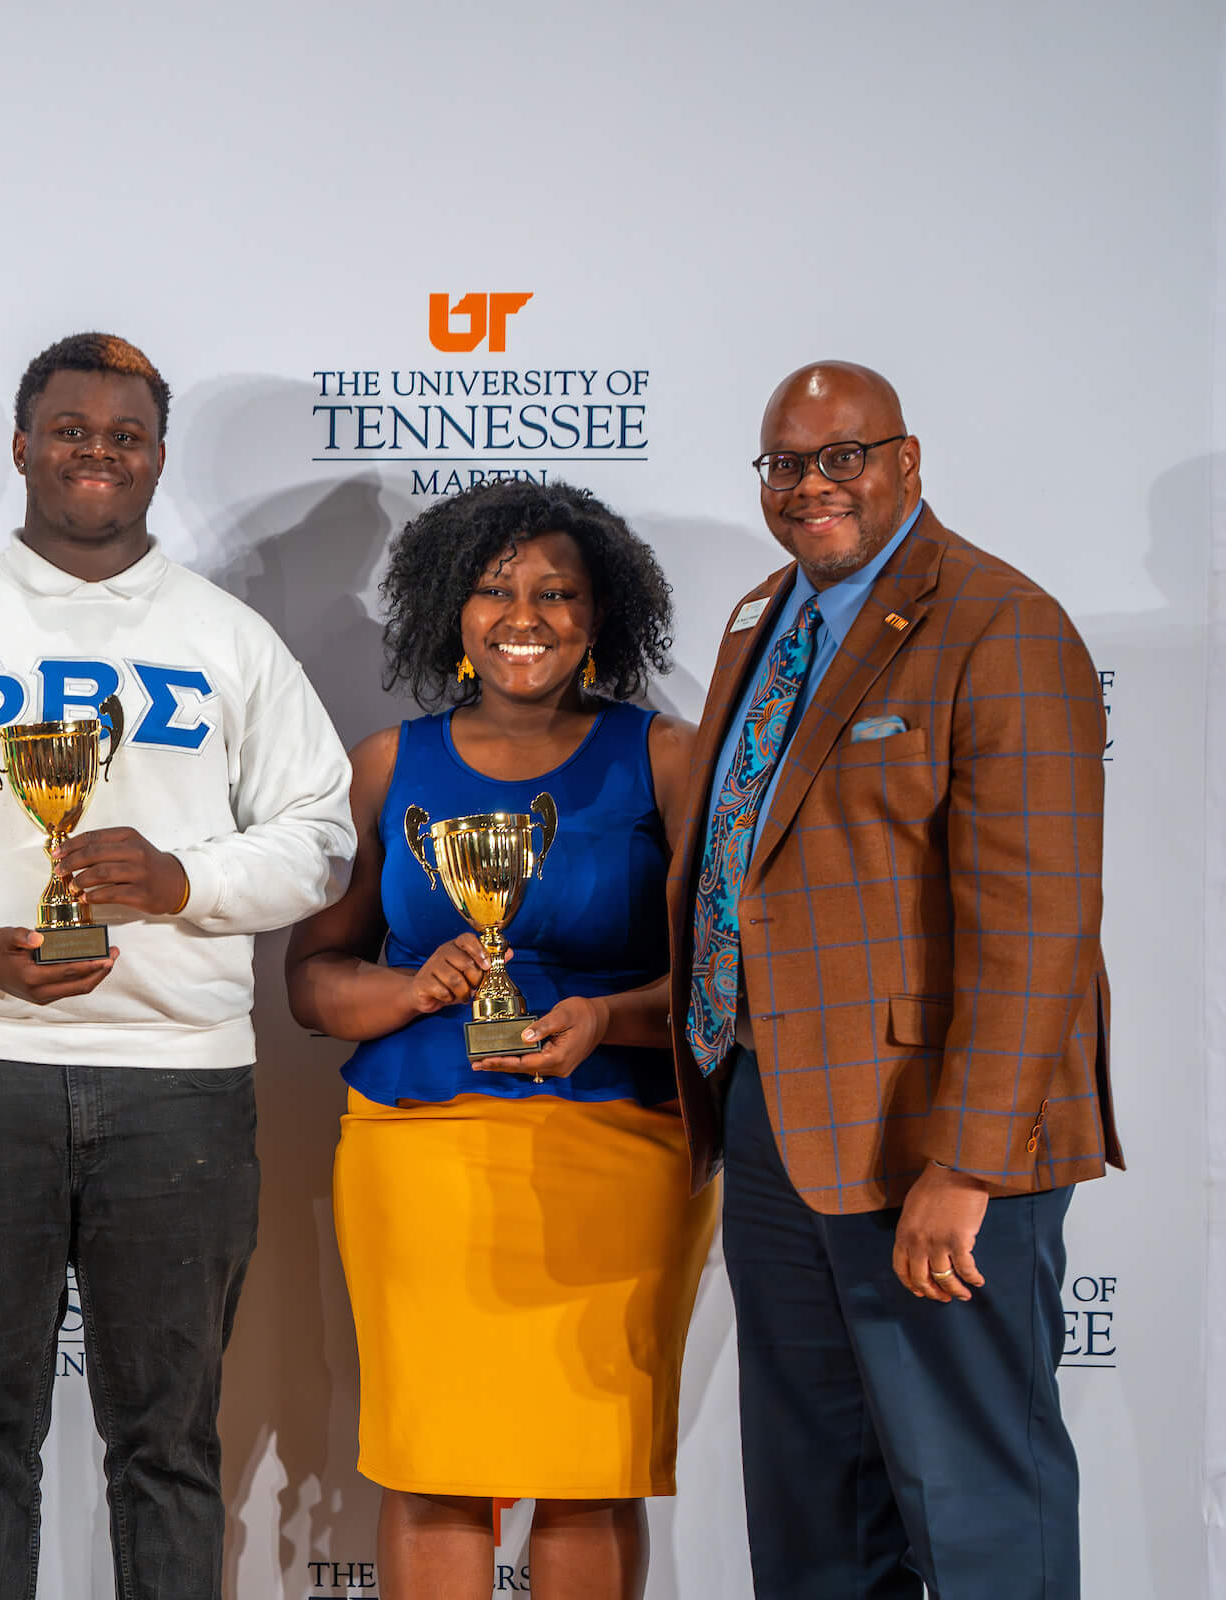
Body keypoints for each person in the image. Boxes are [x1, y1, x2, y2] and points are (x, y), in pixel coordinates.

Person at [0, 332, 354, 1598]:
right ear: (22, 446)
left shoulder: (228, 637)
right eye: (69, 429)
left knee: (168, 1442)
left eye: (124, 434)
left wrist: (184, 881)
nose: (95, 452)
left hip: (178, 1080)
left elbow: (320, 841)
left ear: (158, 457)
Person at [667, 362, 1117, 1598]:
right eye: (786, 463)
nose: (813, 485)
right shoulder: (767, 615)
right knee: (813, 1510)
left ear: (907, 462)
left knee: (976, 1500)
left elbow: (1039, 920)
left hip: (934, 1134)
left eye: (842, 455)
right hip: (772, 1114)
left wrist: (968, 1163)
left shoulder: (999, 622)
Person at [284, 480, 715, 1599]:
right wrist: (415, 988)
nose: (525, 615)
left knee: (589, 1471)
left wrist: (609, 1019)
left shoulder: (667, 756)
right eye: (495, 590)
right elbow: (312, 981)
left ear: (601, 613)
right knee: (438, 1465)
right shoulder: (388, 765)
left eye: (557, 592)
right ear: (452, 610)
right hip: (419, 1150)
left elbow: (729, 969)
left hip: (623, 1144)